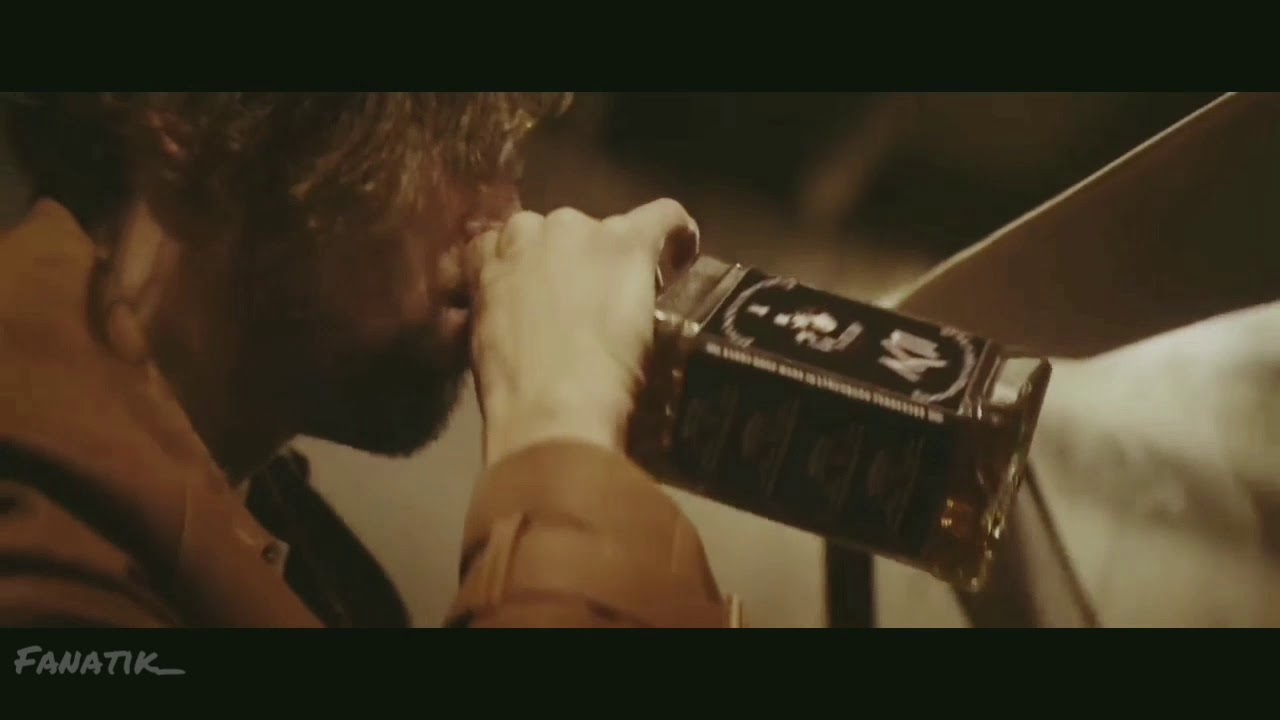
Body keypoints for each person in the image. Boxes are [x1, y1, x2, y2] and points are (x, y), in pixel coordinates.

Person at [0, 92, 738, 628]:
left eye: (506, 148)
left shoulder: (311, 563)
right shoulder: (37, 561)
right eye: (443, 125)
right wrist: (560, 430)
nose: (505, 216)